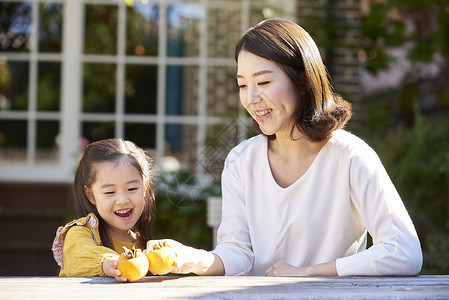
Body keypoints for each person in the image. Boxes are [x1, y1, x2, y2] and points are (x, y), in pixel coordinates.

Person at [148, 18, 423, 276]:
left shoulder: (349, 155)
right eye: (243, 85)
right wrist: (193, 258)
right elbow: (238, 253)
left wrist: (307, 273)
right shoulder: (241, 161)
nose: (252, 98)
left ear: (303, 81)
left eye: (264, 82)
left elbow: (403, 252)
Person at [52, 138, 155, 282]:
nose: (122, 200)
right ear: (91, 195)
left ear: (144, 188)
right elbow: (79, 257)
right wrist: (109, 263)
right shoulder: (80, 232)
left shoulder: (147, 247)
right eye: (110, 192)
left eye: (132, 189)